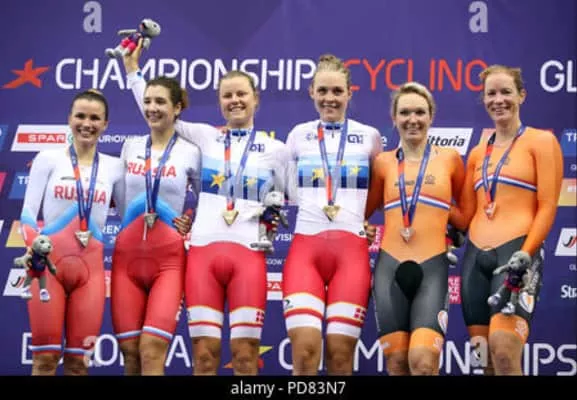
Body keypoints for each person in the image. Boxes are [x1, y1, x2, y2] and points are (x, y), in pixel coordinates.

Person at [122, 41, 289, 376]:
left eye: (241, 94)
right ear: (219, 102)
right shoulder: (204, 136)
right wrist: (132, 70)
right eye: (227, 96)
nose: (235, 101)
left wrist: (272, 217)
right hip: (202, 254)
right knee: (204, 357)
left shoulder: (277, 149)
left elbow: (291, 196)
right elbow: (155, 110)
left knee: (245, 357)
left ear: (256, 98)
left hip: (248, 256)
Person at [457, 65, 564, 376]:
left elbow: (547, 206)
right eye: (491, 93)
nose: (498, 100)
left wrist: (526, 253)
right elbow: (464, 216)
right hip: (475, 262)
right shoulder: (477, 153)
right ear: (483, 99)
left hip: (517, 256)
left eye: (506, 92)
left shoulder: (542, 141)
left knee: (504, 353)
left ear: (521, 95)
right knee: (485, 361)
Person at [282, 54, 383, 376]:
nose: (330, 98)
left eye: (337, 91)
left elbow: (381, 189)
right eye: (323, 90)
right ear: (311, 92)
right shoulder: (298, 135)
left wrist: (359, 220)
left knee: (340, 357)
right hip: (306, 250)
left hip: (351, 254)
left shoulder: (370, 137)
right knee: (304, 353)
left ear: (350, 93)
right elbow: (287, 190)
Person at [19, 89, 124, 375]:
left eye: (95, 118)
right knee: (44, 361)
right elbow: (28, 214)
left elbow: (131, 216)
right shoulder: (48, 159)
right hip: (46, 272)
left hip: (90, 276)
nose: (86, 124)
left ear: (105, 124)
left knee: (78, 365)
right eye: (80, 116)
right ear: (69, 119)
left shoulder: (115, 168)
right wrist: (33, 247)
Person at [364, 81, 466, 376]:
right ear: (394, 118)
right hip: (389, 270)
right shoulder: (382, 163)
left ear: (431, 116)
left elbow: (465, 217)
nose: (413, 119)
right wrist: (363, 226)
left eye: (420, 112)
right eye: (405, 112)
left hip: (432, 269)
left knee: (423, 363)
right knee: (397, 364)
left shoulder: (450, 159)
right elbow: (363, 212)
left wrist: (438, 207)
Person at [111, 76, 200, 376]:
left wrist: (191, 219)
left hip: (168, 263)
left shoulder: (190, 152)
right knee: (130, 355)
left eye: (160, 101)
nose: (152, 108)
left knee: (151, 351)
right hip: (126, 260)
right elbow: (119, 197)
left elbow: (207, 200)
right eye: (148, 101)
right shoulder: (130, 146)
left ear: (177, 108)